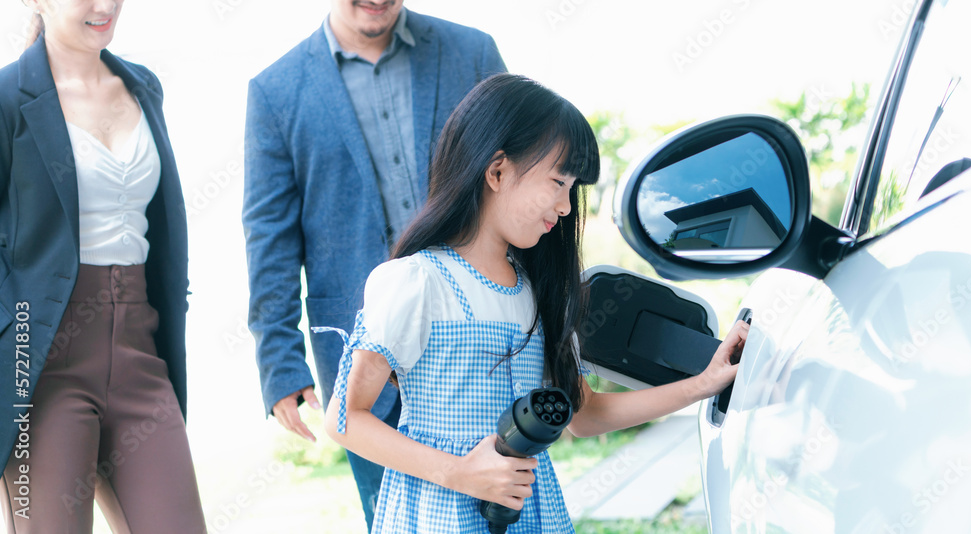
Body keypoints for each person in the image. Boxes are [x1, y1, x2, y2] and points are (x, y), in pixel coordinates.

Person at [324, 73, 749, 533]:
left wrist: (702, 385)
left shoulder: (540, 292)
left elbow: (583, 414)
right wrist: (461, 473)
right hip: (436, 514)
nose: (567, 207)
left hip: (532, 513)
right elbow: (346, 419)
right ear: (498, 171)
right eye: (558, 182)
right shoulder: (415, 282)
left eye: (573, 190)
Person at [242, 0, 505, 528]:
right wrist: (280, 362)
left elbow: (522, 176)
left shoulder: (472, 52)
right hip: (363, 359)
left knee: (505, 507)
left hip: (484, 335)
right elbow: (269, 233)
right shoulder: (275, 90)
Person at [0, 1, 205, 532]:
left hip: (141, 354)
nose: (104, 5)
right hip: (42, 368)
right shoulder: (6, 100)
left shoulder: (143, 87)